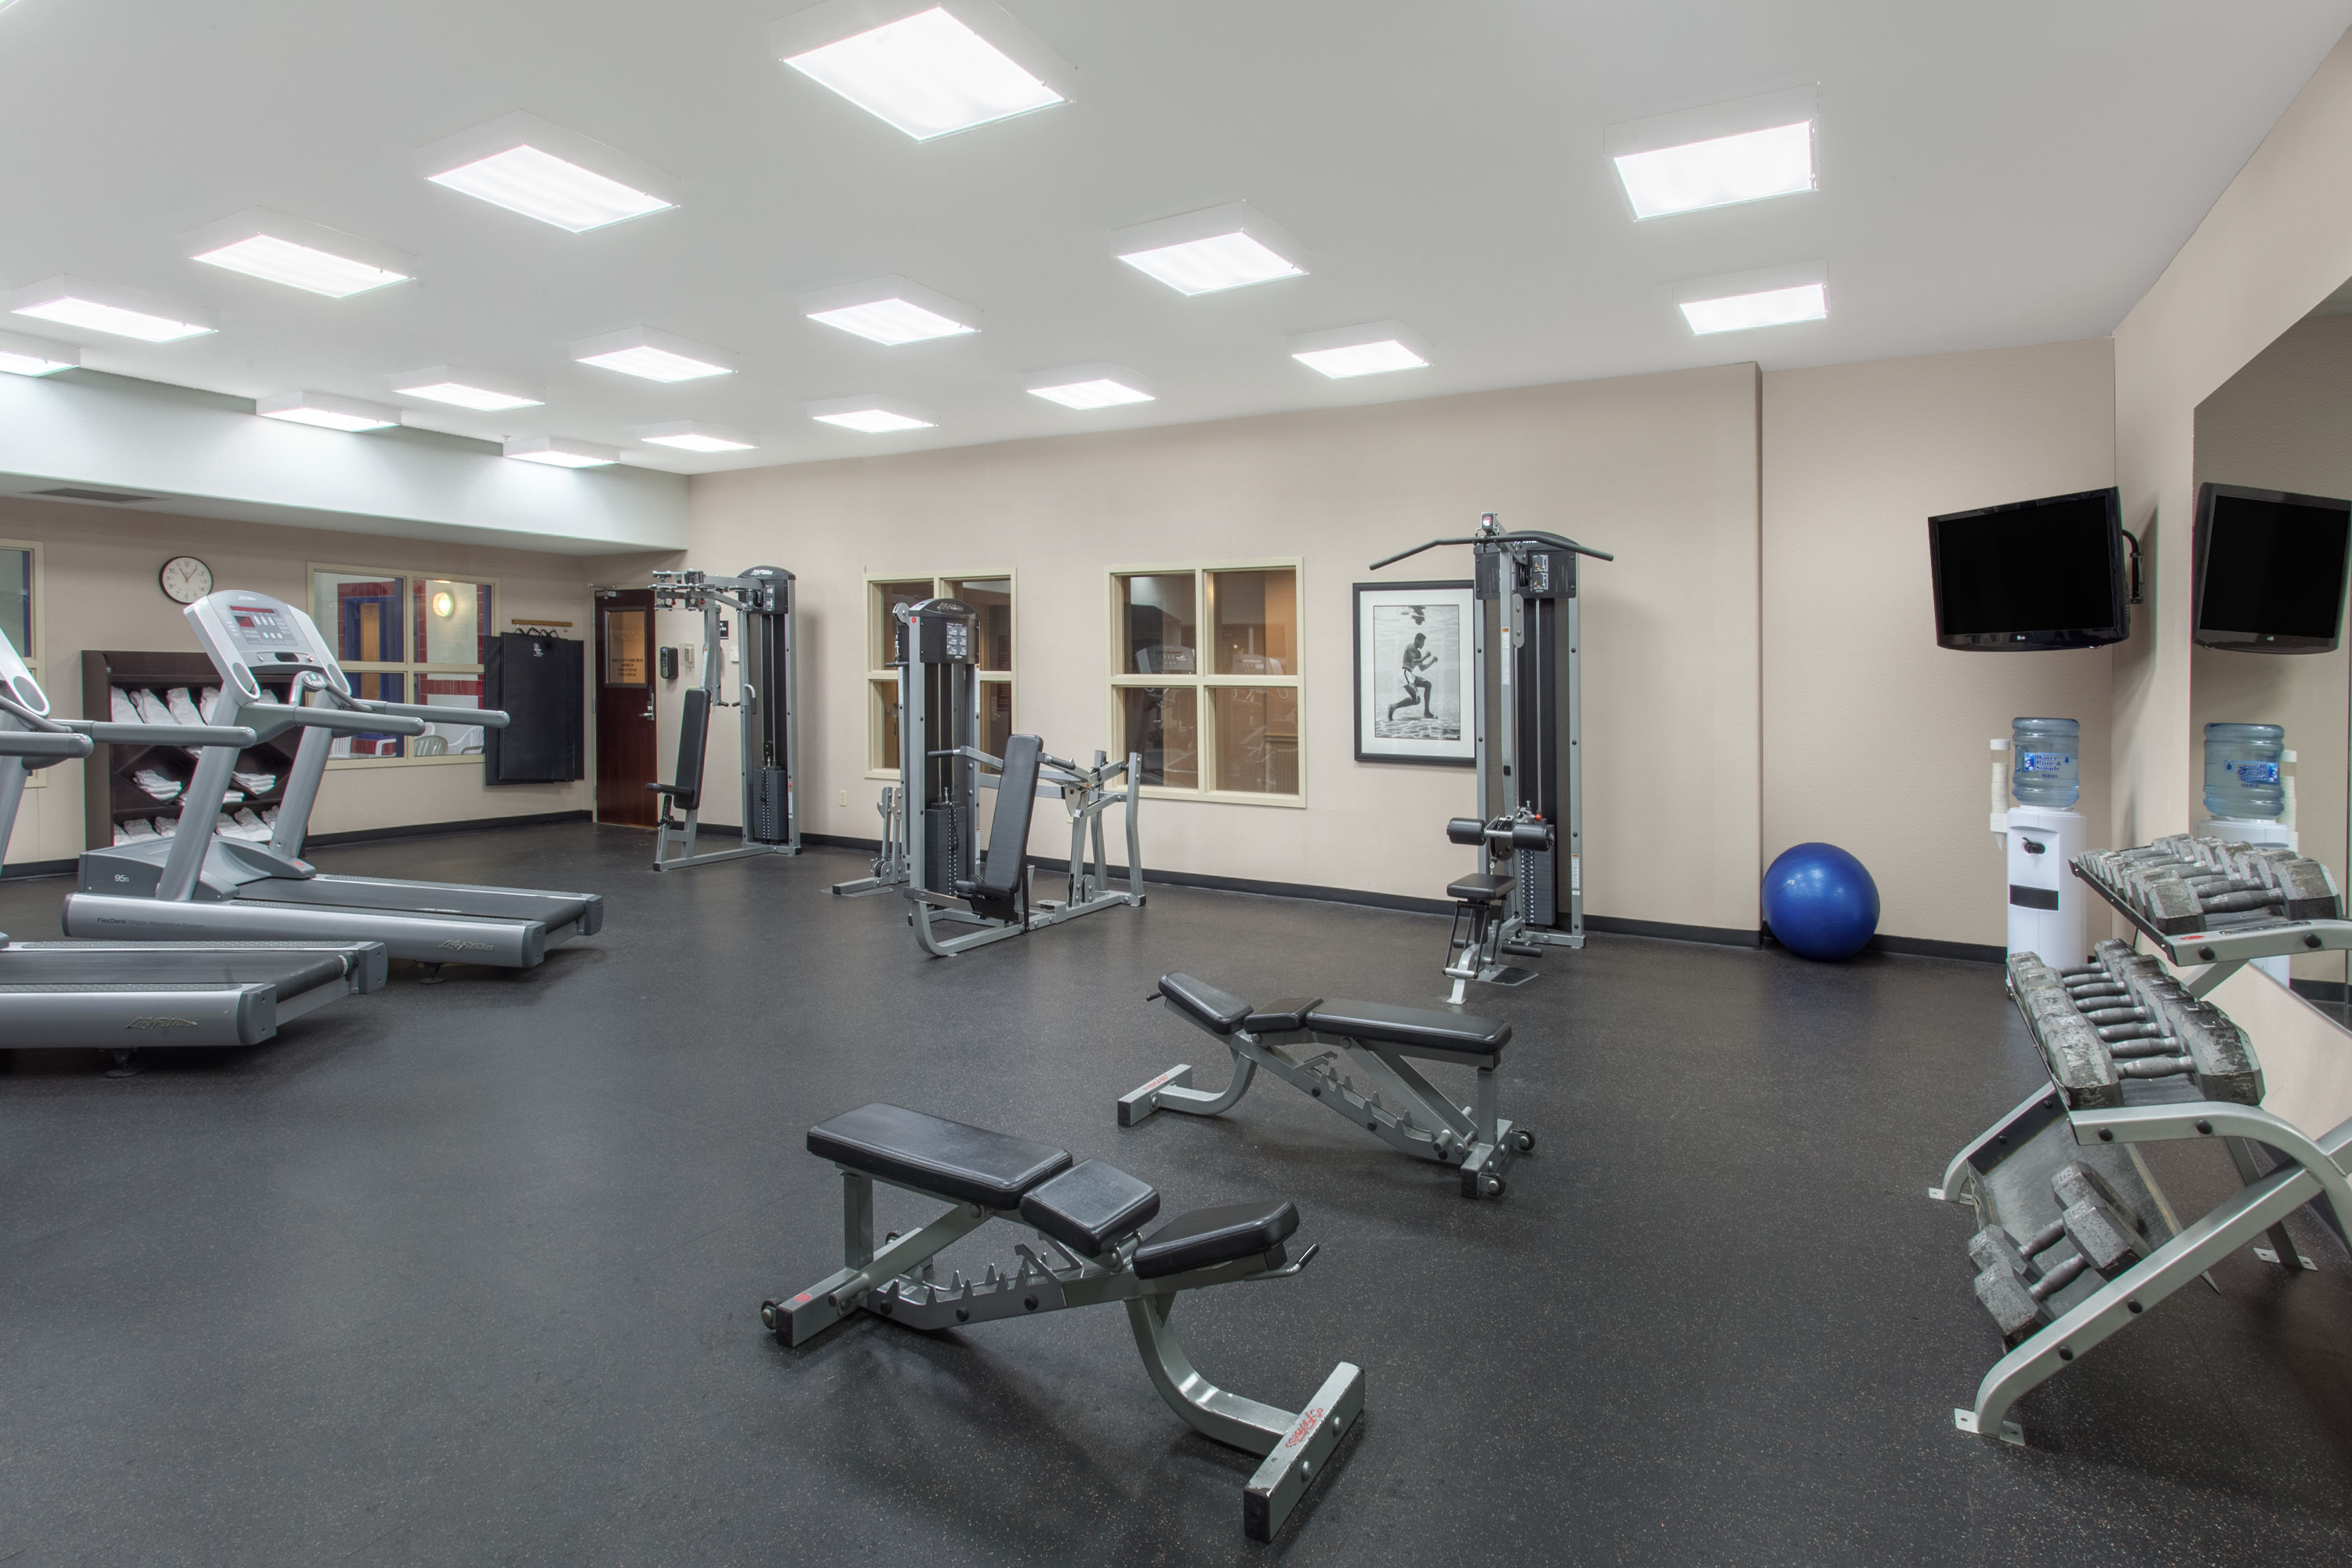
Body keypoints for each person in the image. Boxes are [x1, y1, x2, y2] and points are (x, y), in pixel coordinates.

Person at [1387, 630, 1438, 724]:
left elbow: (1422, 668)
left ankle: (1427, 712)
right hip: (1405, 674)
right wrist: (1426, 656)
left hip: (1411, 674)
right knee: (1417, 699)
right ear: (1417, 640)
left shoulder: (1419, 653)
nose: (1423, 644)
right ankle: (1393, 707)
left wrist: (1432, 662)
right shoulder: (1410, 646)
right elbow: (1414, 661)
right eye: (1422, 642)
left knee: (1428, 684)